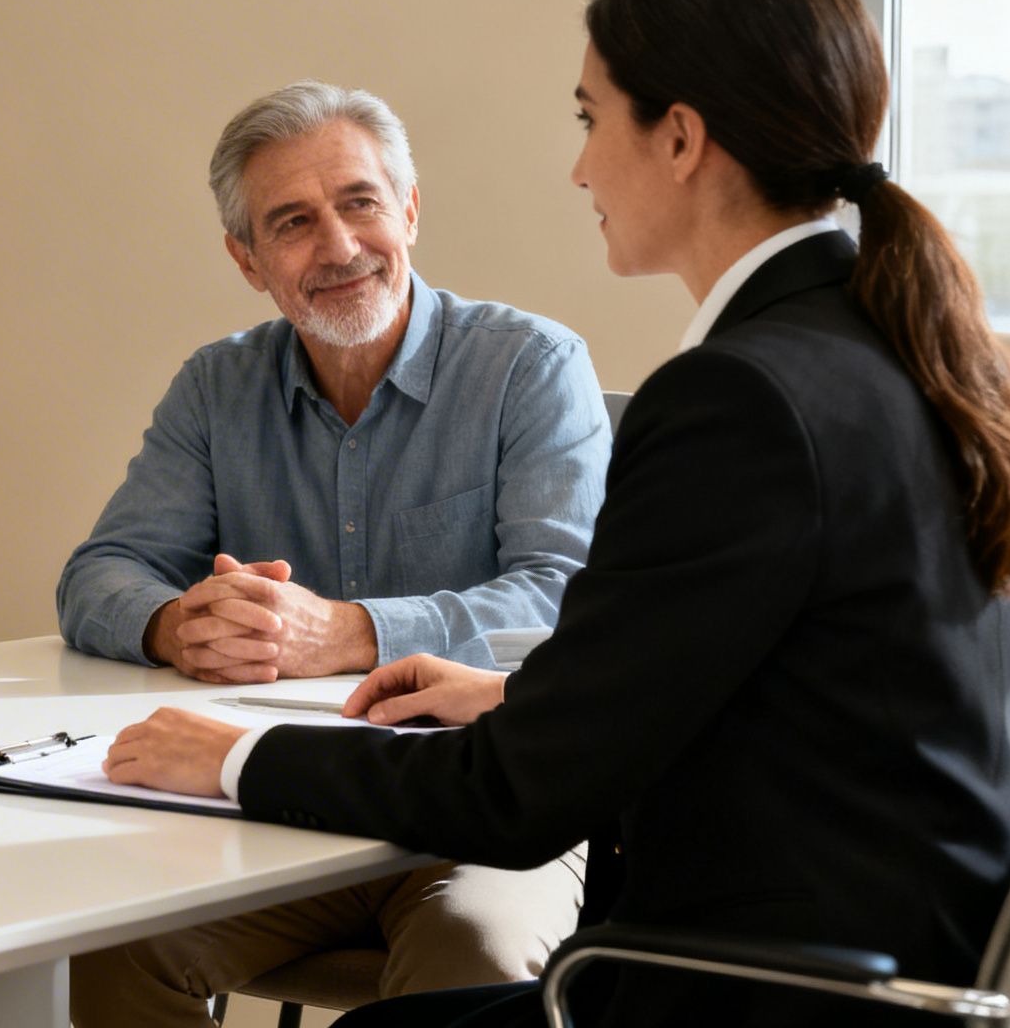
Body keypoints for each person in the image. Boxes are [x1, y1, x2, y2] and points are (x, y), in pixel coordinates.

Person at [100, 0, 1010, 1027]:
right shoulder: (896, 353)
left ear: (676, 136)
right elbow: (782, 681)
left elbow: (514, 800)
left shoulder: (735, 399)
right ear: (246, 255)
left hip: (744, 993)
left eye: (588, 118)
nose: (578, 167)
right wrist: (523, 696)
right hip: (894, 971)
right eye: (291, 220)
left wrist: (240, 756)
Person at [61, 83, 610, 1023]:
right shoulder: (216, 387)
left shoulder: (531, 365)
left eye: (360, 202)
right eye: (292, 222)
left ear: (409, 209)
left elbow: (566, 603)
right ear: (247, 259)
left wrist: (354, 632)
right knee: (113, 949)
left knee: (471, 951)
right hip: (277, 802)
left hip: (483, 808)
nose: (340, 246)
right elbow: (98, 574)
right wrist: (172, 625)